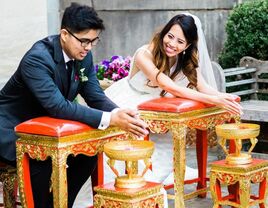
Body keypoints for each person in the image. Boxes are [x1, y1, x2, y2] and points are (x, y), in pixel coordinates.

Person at [0, 3, 148, 208]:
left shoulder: (82, 56)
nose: (88, 47)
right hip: (12, 128)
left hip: (48, 127)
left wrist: (118, 111)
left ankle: (61, 204)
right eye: (84, 41)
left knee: (87, 152)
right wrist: (110, 120)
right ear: (64, 34)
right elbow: (58, 106)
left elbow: (94, 94)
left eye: (93, 41)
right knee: (41, 161)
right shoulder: (37, 59)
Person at [103, 13, 243, 189]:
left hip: (158, 104)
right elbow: (170, 87)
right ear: (164, 32)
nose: (172, 44)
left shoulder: (185, 58)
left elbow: (203, 86)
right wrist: (213, 99)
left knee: (165, 156)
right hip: (128, 100)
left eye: (180, 41)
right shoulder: (144, 53)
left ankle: (153, 184)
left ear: (188, 45)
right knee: (129, 146)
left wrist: (222, 97)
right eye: (170, 36)